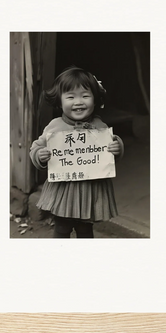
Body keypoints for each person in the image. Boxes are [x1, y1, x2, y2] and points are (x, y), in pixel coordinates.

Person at [29, 66, 124, 238]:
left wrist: (116, 148)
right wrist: (40, 155)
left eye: (85, 96)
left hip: (90, 191)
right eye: (71, 97)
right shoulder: (55, 126)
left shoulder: (99, 127)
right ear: (59, 101)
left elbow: (109, 152)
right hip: (64, 191)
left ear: (95, 100)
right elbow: (36, 147)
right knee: (62, 228)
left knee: (85, 230)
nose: (78, 102)